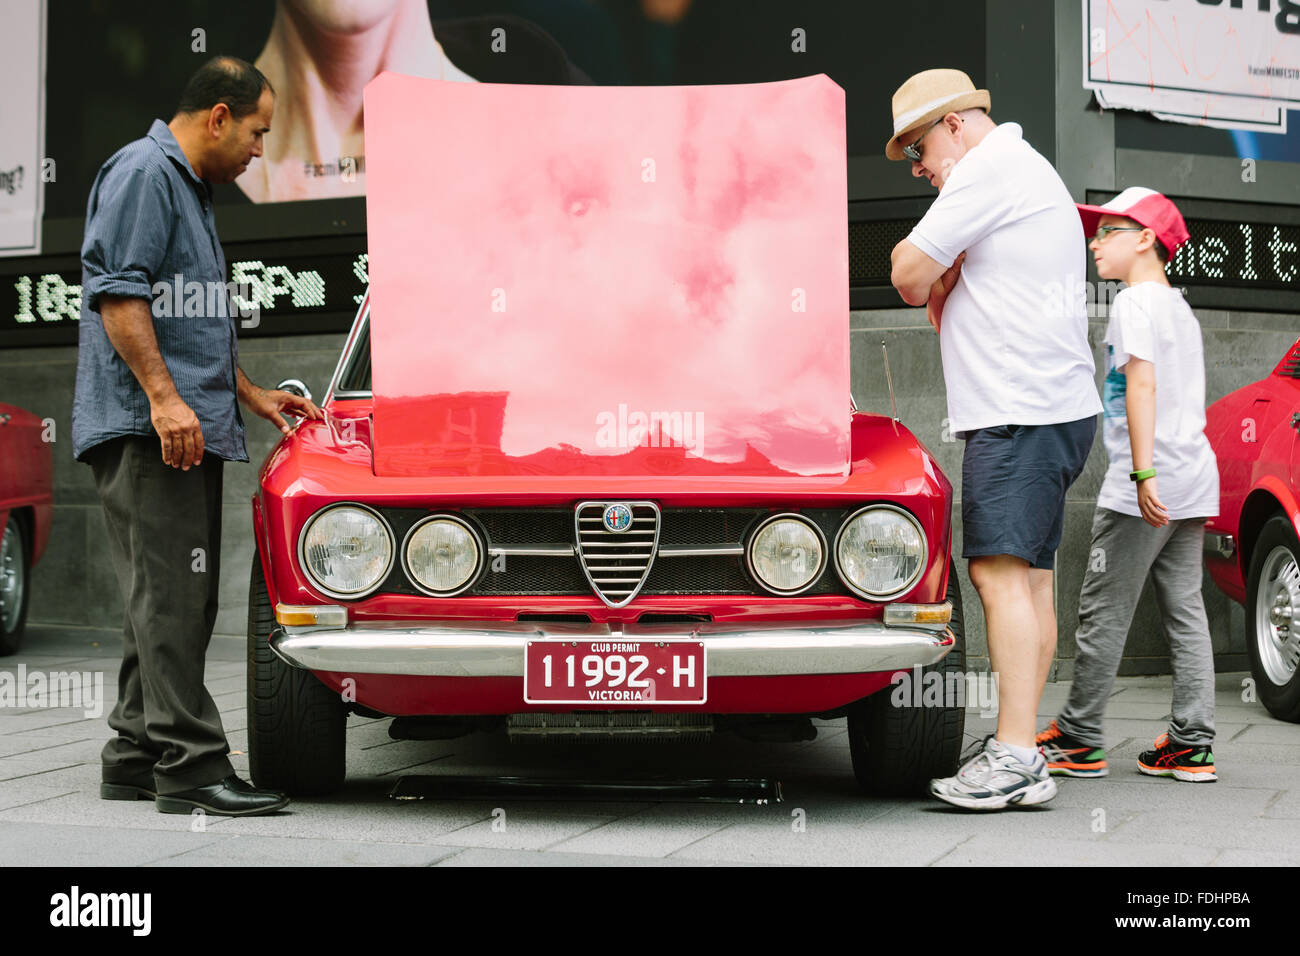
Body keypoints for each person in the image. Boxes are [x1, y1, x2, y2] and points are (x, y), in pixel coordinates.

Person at [72, 56, 322, 816]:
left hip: (178, 423)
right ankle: (191, 768)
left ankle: (135, 753)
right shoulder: (146, 174)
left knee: (163, 598)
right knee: (175, 602)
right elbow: (118, 297)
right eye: (255, 132)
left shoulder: (186, 186)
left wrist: (246, 393)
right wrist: (164, 399)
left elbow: (187, 319)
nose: (258, 149)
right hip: (151, 431)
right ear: (218, 115)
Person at [887, 68, 1102, 809]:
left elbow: (909, 274)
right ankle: (1021, 743)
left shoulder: (986, 170)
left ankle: (1013, 757)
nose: (920, 170)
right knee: (1030, 582)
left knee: (998, 579)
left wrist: (939, 272)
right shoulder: (1023, 168)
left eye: (918, 150)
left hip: (1018, 410)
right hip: (1051, 408)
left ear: (954, 124)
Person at [1037, 187, 1219, 782]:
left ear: (1145, 239)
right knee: (1185, 609)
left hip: (1150, 481)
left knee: (1101, 609)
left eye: (1107, 230)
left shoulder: (1135, 304)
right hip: (1193, 474)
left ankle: (1079, 739)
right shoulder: (1179, 308)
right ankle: (1192, 744)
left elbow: (1140, 388)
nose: (1095, 243)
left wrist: (1141, 473)